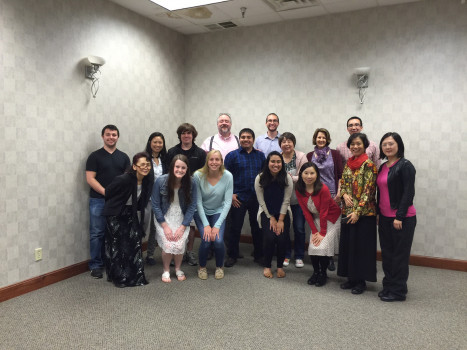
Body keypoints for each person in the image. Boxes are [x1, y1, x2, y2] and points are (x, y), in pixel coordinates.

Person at [102, 152, 153, 288]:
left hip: (130, 212)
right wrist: (116, 206)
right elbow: (108, 192)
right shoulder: (123, 179)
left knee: (135, 241)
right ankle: (120, 277)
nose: (146, 167)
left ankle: (135, 275)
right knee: (118, 245)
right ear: (135, 166)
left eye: (148, 165)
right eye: (142, 164)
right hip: (115, 213)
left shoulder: (147, 180)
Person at [85, 125, 130, 279]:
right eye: (108, 134)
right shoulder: (94, 156)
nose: (111, 137)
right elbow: (90, 179)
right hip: (98, 200)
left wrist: (118, 196)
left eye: (114, 135)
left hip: (117, 202)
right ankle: (96, 265)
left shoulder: (124, 157)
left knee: (115, 233)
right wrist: (105, 192)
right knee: (97, 233)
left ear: (118, 137)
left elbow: (126, 179)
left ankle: (112, 261)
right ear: (103, 136)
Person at [376, 132, 417, 302]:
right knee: (387, 254)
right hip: (384, 217)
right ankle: (389, 285)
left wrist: (399, 216)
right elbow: (380, 193)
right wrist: (378, 213)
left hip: (403, 218)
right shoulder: (383, 166)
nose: (388, 147)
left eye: (391, 143)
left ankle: (399, 291)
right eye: (384, 144)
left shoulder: (406, 165)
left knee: (399, 255)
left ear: (398, 145)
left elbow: (409, 193)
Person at [337, 133, 378, 295]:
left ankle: (361, 281)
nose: (355, 146)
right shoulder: (349, 163)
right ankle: (351, 278)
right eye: (352, 144)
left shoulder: (369, 165)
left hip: (364, 214)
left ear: (365, 145)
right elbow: (344, 182)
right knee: (349, 246)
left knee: (361, 248)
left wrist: (357, 212)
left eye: (358, 144)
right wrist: (344, 194)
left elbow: (369, 191)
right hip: (347, 211)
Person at [152, 155, 197, 283]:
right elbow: (155, 204)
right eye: (177, 167)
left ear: (187, 169)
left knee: (179, 244)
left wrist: (183, 226)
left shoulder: (192, 182)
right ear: (172, 167)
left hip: (182, 217)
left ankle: (177, 269)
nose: (180, 170)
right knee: (167, 244)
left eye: (183, 167)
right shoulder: (160, 181)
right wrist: (164, 226)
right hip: (164, 216)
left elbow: (192, 205)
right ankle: (166, 270)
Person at [165, 123, 206, 266]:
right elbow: (167, 173)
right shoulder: (171, 152)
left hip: (192, 192)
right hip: (174, 192)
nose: (186, 135)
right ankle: (174, 251)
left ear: (193, 135)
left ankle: (189, 252)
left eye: (189, 133)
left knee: (191, 223)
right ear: (180, 135)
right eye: (183, 133)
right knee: (174, 221)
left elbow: (203, 174)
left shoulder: (200, 153)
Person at [224, 128, 266, 267]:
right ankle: (232, 255)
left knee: (257, 227)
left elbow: (264, 177)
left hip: (256, 197)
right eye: (243, 137)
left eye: (248, 137)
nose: (246, 139)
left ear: (253, 140)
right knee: (235, 228)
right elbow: (225, 178)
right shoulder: (232, 156)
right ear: (239, 139)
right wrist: (230, 194)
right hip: (238, 198)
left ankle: (259, 255)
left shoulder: (260, 156)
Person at [295, 162, 341, 287]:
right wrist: (315, 231)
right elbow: (306, 212)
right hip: (316, 218)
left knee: (322, 246)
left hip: (331, 219)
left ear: (317, 175)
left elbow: (325, 212)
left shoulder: (323, 188)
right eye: (306, 173)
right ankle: (316, 272)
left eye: (312, 173)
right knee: (314, 246)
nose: (309, 176)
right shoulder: (299, 189)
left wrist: (322, 233)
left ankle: (323, 274)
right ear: (301, 174)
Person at [306, 128, 343, 271]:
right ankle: (321, 255)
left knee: (331, 228)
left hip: (333, 195)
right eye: (318, 137)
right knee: (319, 224)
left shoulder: (334, 154)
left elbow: (340, 175)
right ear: (315, 139)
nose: (321, 139)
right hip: (315, 195)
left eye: (323, 137)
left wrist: (339, 193)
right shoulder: (310, 155)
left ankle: (330, 257)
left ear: (327, 139)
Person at [193, 150, 233, 280]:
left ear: (221, 161)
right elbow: (198, 202)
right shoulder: (198, 175)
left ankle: (219, 267)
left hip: (218, 211)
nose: (214, 162)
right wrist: (206, 225)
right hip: (201, 212)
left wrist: (217, 225)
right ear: (207, 161)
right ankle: (202, 267)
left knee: (218, 240)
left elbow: (227, 203)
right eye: (211, 159)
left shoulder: (228, 176)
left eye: (217, 160)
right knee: (205, 240)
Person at [255, 151, 293, 278]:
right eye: (273, 161)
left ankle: (280, 266)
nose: (276, 164)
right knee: (269, 238)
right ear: (268, 163)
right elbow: (261, 201)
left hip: (283, 212)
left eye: (278, 162)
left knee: (282, 238)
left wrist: (281, 220)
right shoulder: (260, 177)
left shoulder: (287, 178)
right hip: (266, 213)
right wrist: (271, 217)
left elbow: (286, 200)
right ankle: (267, 266)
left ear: (282, 163)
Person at [279, 132, 307, 268]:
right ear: (280, 144)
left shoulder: (301, 156)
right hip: (282, 201)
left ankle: (299, 255)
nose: (286, 144)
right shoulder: (277, 157)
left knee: (299, 228)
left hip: (298, 200)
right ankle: (286, 254)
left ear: (293, 143)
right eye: (283, 141)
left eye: (289, 141)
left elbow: (305, 176)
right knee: (284, 229)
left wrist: (289, 178)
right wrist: (290, 178)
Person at [144, 132, 167, 266]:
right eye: (155, 142)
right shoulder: (144, 158)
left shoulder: (165, 159)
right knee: (142, 226)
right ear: (150, 143)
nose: (157, 145)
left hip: (161, 199)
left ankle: (150, 254)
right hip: (146, 199)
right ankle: (136, 254)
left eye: (160, 142)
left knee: (155, 228)